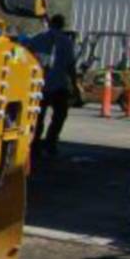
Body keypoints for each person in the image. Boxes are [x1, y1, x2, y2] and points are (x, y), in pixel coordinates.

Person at [28, 13, 77, 156]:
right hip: (59, 85)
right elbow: (71, 66)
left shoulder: (36, 39)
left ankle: (34, 144)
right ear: (62, 25)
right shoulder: (67, 42)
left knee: (38, 116)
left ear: (50, 24)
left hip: (39, 84)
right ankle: (51, 143)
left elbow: (26, 57)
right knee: (59, 116)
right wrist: (74, 84)